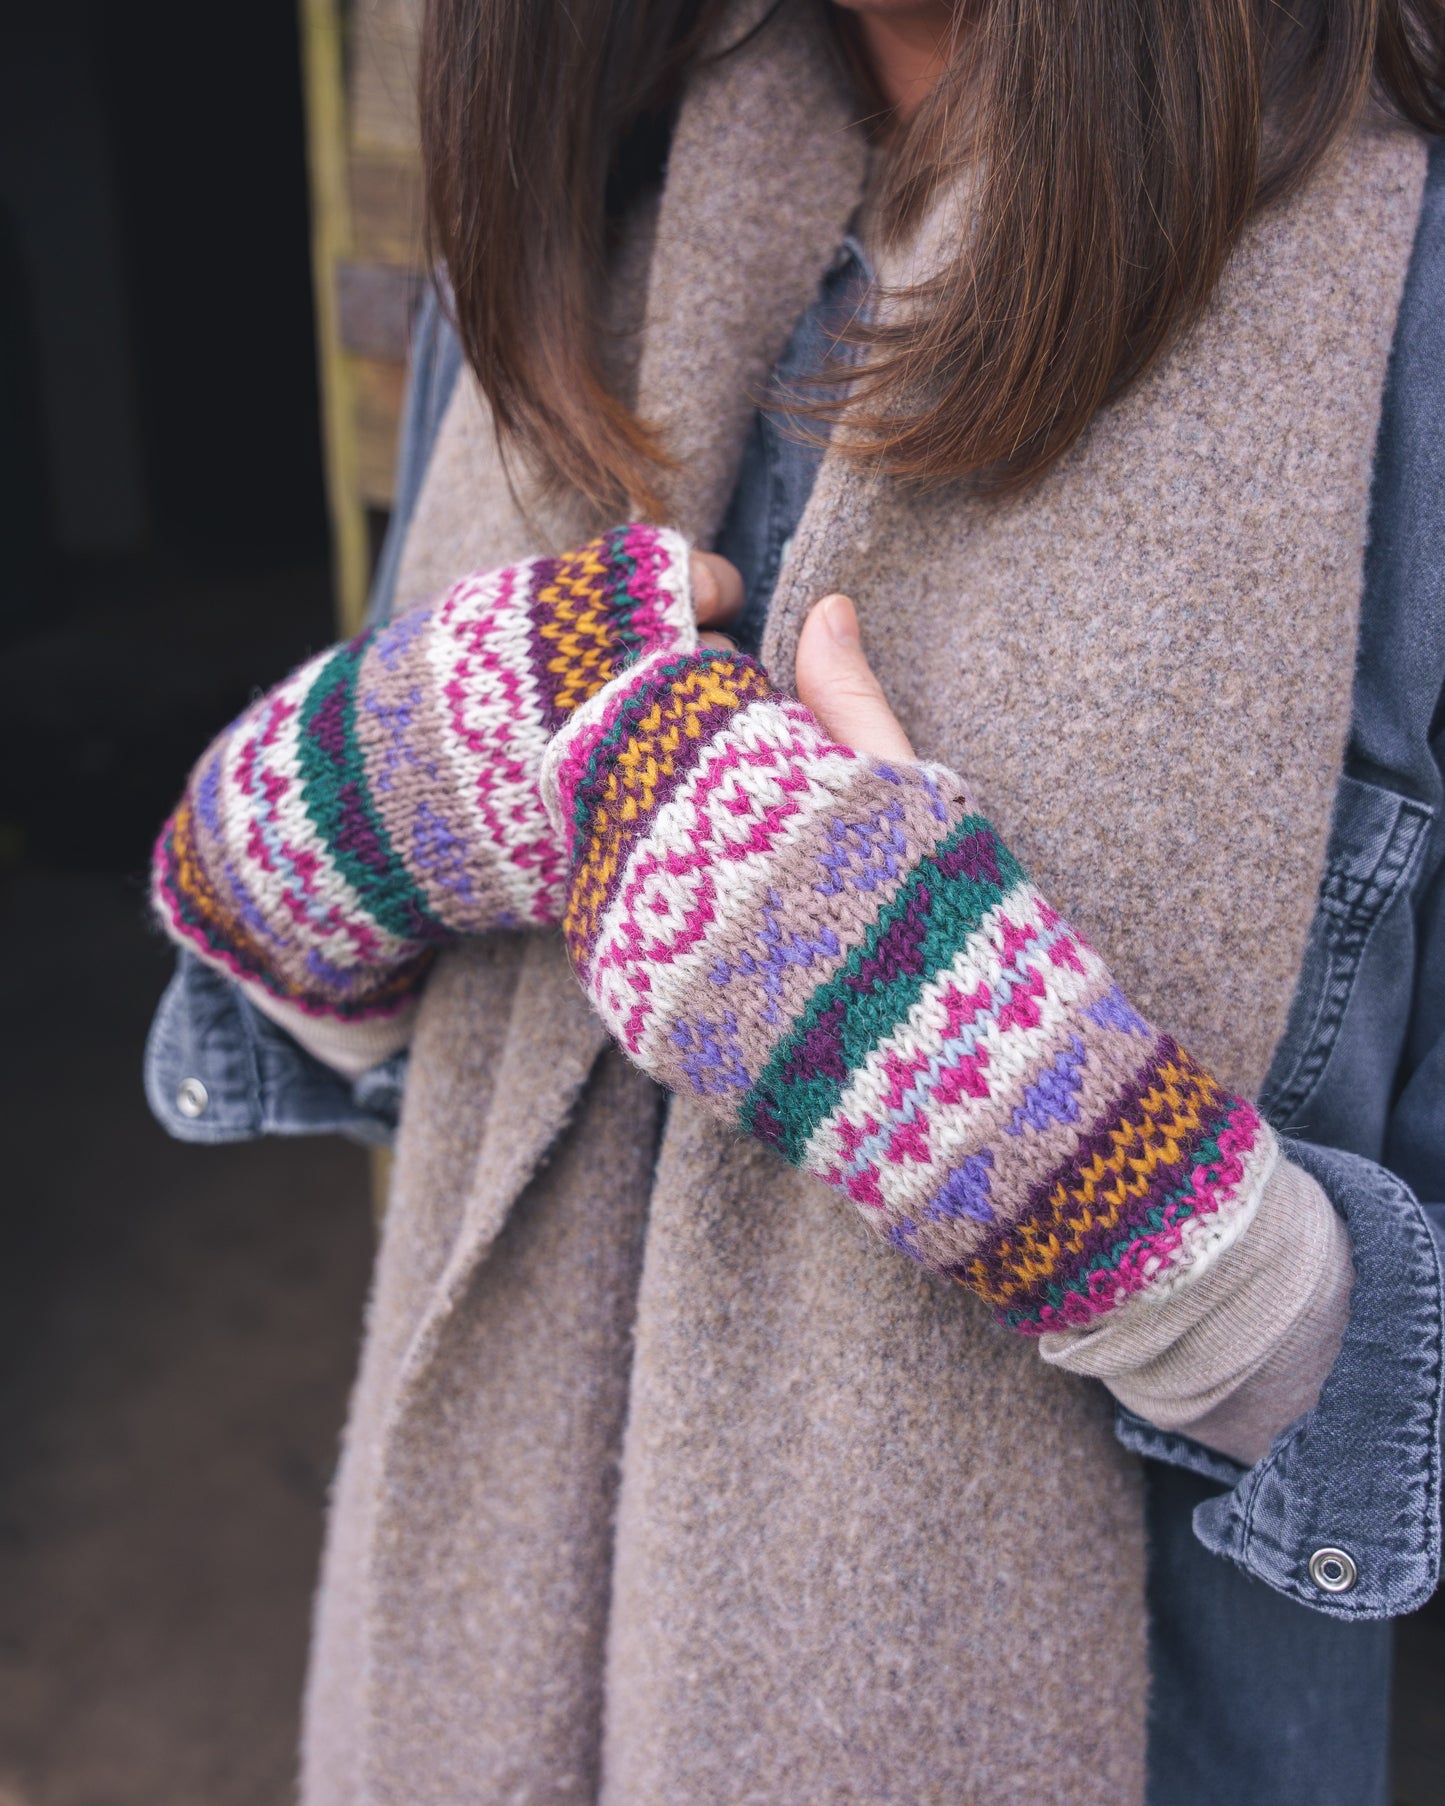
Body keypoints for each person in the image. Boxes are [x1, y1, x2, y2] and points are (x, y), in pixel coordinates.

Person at [144, 0, 1445, 1800]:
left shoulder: (1402, 277)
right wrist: (352, 800)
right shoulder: (589, 168)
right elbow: (407, 1055)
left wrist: (1064, 1158)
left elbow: (1397, 1419)